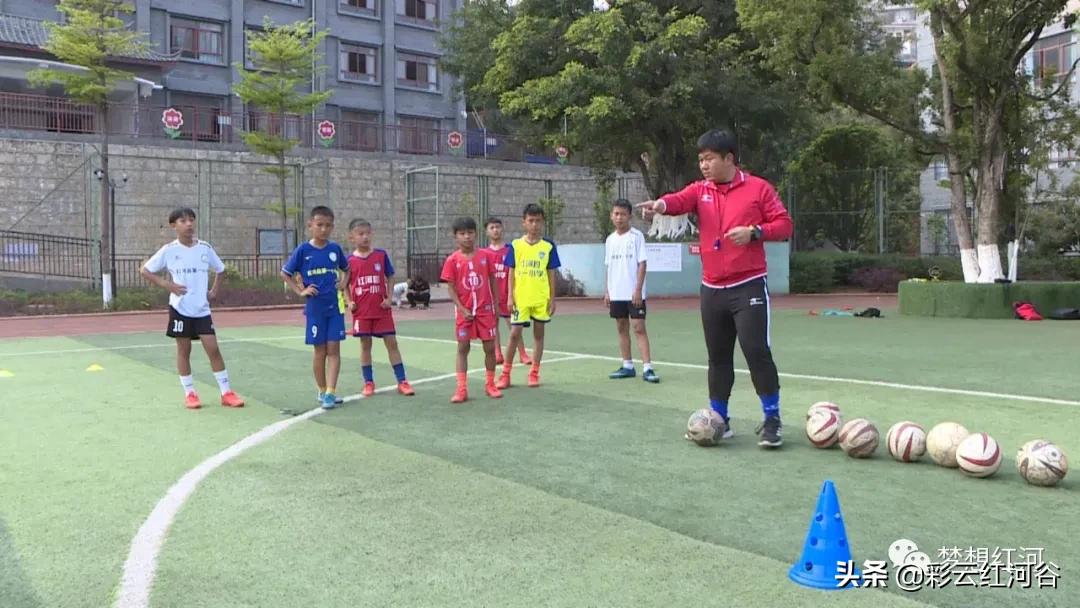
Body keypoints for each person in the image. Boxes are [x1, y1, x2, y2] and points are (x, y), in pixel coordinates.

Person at [637, 129, 793, 448]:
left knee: (756, 351)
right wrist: (660, 205)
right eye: (701, 160)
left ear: (729, 158)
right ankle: (719, 419)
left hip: (748, 285)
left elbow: (784, 224)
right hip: (712, 289)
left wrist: (755, 232)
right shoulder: (701, 190)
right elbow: (679, 200)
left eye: (709, 159)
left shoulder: (758, 188)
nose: (704, 165)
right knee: (718, 358)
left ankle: (772, 419)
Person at [141, 207, 245, 410]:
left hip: (202, 310)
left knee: (213, 349)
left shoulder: (205, 248)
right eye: (183, 221)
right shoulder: (169, 250)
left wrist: (214, 291)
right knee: (184, 350)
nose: (189, 224)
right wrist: (167, 285)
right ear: (173, 226)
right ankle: (190, 394)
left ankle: (226, 393)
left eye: (191, 220)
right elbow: (145, 270)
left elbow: (221, 270)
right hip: (180, 309)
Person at [281, 206, 349, 409]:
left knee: (334, 349)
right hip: (315, 310)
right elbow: (285, 273)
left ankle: (331, 392)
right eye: (319, 225)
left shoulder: (335, 249)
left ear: (332, 227)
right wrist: (300, 291)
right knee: (320, 351)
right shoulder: (303, 250)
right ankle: (322, 389)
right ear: (310, 225)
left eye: (328, 225)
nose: (324, 229)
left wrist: (343, 283)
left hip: (334, 308)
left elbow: (347, 269)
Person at [345, 219, 414, 397]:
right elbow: (344, 285)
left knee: (392, 343)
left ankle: (402, 381)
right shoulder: (349, 261)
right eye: (360, 234)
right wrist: (349, 301)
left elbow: (390, 277)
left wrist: (389, 298)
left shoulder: (381, 255)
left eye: (368, 233)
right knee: (365, 345)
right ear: (352, 237)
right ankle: (368, 382)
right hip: (362, 311)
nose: (365, 237)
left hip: (381, 310)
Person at [440, 217, 502, 403]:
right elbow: (451, 288)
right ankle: (461, 389)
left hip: (485, 310)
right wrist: (461, 308)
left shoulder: (485, 256)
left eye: (470, 232)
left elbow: (492, 280)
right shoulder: (452, 260)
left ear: (476, 234)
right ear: (455, 236)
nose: (467, 237)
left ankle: (490, 384)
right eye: (462, 233)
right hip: (465, 312)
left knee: (489, 347)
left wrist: (496, 305)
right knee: (463, 347)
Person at [499, 203, 560, 389]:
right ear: (524, 222)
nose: (534, 225)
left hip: (540, 298)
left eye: (538, 221)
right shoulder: (516, 245)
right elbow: (511, 272)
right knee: (514, 334)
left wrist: (552, 299)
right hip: (521, 299)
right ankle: (505, 374)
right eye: (531, 221)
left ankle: (534, 372)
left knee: (539, 335)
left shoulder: (548, 246)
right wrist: (510, 297)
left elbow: (551, 273)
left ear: (543, 222)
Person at [604, 198, 659, 384]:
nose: (619, 217)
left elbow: (642, 263)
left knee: (639, 327)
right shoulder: (610, 240)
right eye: (616, 214)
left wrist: (638, 290)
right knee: (621, 327)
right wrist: (607, 291)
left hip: (634, 293)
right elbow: (608, 267)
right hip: (616, 293)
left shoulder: (637, 237)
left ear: (629, 217)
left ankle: (648, 368)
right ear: (611, 216)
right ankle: (627, 365)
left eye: (623, 214)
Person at [485, 216, 531, 366]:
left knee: (514, 325)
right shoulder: (484, 253)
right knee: (493, 325)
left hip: (509, 295)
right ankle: (497, 353)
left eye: (498, 227)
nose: (495, 230)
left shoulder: (511, 249)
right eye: (492, 228)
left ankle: (522, 353)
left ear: (502, 229)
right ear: (487, 231)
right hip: (492, 296)